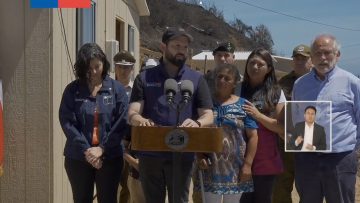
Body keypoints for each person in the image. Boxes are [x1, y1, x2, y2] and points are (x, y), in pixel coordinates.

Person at [127, 27, 214, 203]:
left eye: (185, 47)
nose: (181, 50)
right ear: (163, 47)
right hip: (150, 155)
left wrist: (197, 124)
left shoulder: (196, 79)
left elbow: (208, 115)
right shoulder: (144, 78)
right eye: (176, 45)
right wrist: (141, 120)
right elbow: (132, 113)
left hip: (183, 154)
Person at [292, 34, 360, 203]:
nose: (322, 58)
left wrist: (355, 151)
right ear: (312, 57)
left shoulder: (352, 82)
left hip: (341, 158)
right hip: (308, 158)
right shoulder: (300, 85)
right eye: (317, 53)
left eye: (328, 52)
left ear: (337, 55)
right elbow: (295, 119)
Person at [59, 43, 129, 203]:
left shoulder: (117, 89)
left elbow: (122, 122)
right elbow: (67, 122)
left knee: (108, 199)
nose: (94, 71)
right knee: (82, 199)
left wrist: (102, 149)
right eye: (88, 68)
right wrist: (88, 152)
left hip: (110, 157)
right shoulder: (72, 90)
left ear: (104, 64)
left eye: (97, 66)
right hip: (78, 157)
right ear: (81, 68)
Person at [193, 63, 258, 203]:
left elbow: (253, 136)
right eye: (219, 77)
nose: (222, 80)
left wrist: (248, 164)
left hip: (236, 170)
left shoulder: (244, 105)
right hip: (210, 168)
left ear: (235, 82)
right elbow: (196, 133)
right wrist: (199, 155)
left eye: (227, 78)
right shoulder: (205, 104)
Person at [240, 48, 285, 203]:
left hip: (266, 160)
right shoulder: (237, 88)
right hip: (237, 157)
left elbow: (281, 127)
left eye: (260, 64)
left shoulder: (276, 92)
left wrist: (258, 116)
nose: (255, 67)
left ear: (269, 69)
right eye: (252, 62)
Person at [272, 44, 313, 203]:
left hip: (311, 143)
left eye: (304, 58)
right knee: (280, 187)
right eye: (296, 58)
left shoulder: (319, 81)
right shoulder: (283, 83)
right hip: (285, 143)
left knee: (309, 187)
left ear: (311, 61)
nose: (299, 61)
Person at [113, 50, 145, 203]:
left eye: (127, 67)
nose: (123, 70)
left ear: (132, 69)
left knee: (129, 187)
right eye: (119, 66)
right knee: (111, 187)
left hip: (130, 146)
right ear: (115, 68)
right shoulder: (106, 89)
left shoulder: (137, 92)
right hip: (110, 145)